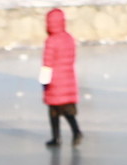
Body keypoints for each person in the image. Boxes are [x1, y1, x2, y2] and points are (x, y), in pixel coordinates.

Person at [41, 8, 80, 147]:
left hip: (55, 81)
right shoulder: (69, 38)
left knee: (54, 111)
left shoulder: (51, 41)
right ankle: (76, 131)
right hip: (69, 78)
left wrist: (44, 79)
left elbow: (47, 62)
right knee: (68, 109)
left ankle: (56, 138)